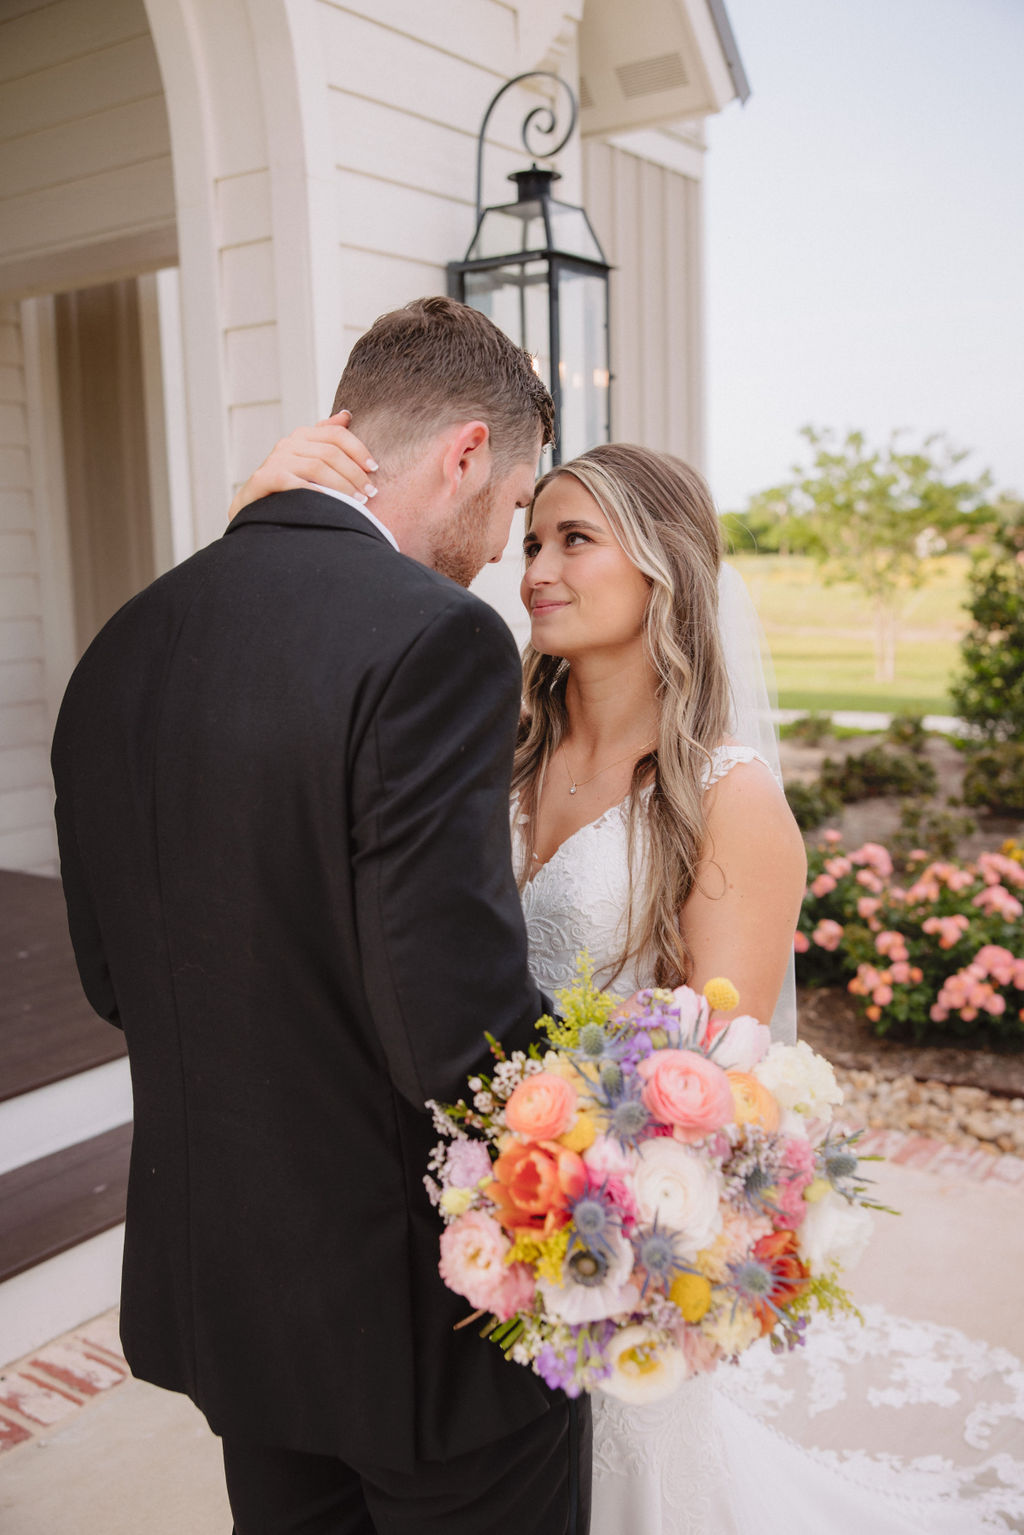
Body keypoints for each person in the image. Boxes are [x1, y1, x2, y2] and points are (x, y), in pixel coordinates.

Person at [241, 419, 1022, 1534]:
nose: (537, 571)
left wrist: (590, 1228)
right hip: (448, 1215)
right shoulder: (486, 752)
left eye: (574, 541)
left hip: (600, 1236)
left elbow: (719, 1088)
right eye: (530, 543)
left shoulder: (725, 799)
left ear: (661, 566)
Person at [51, 296, 592, 1535]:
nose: (503, 549)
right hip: (418, 1321)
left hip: (229, 1299)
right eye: (512, 506)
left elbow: (110, 974)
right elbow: (447, 1024)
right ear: (465, 451)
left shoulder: (122, 646)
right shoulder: (437, 639)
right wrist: (609, 1172)